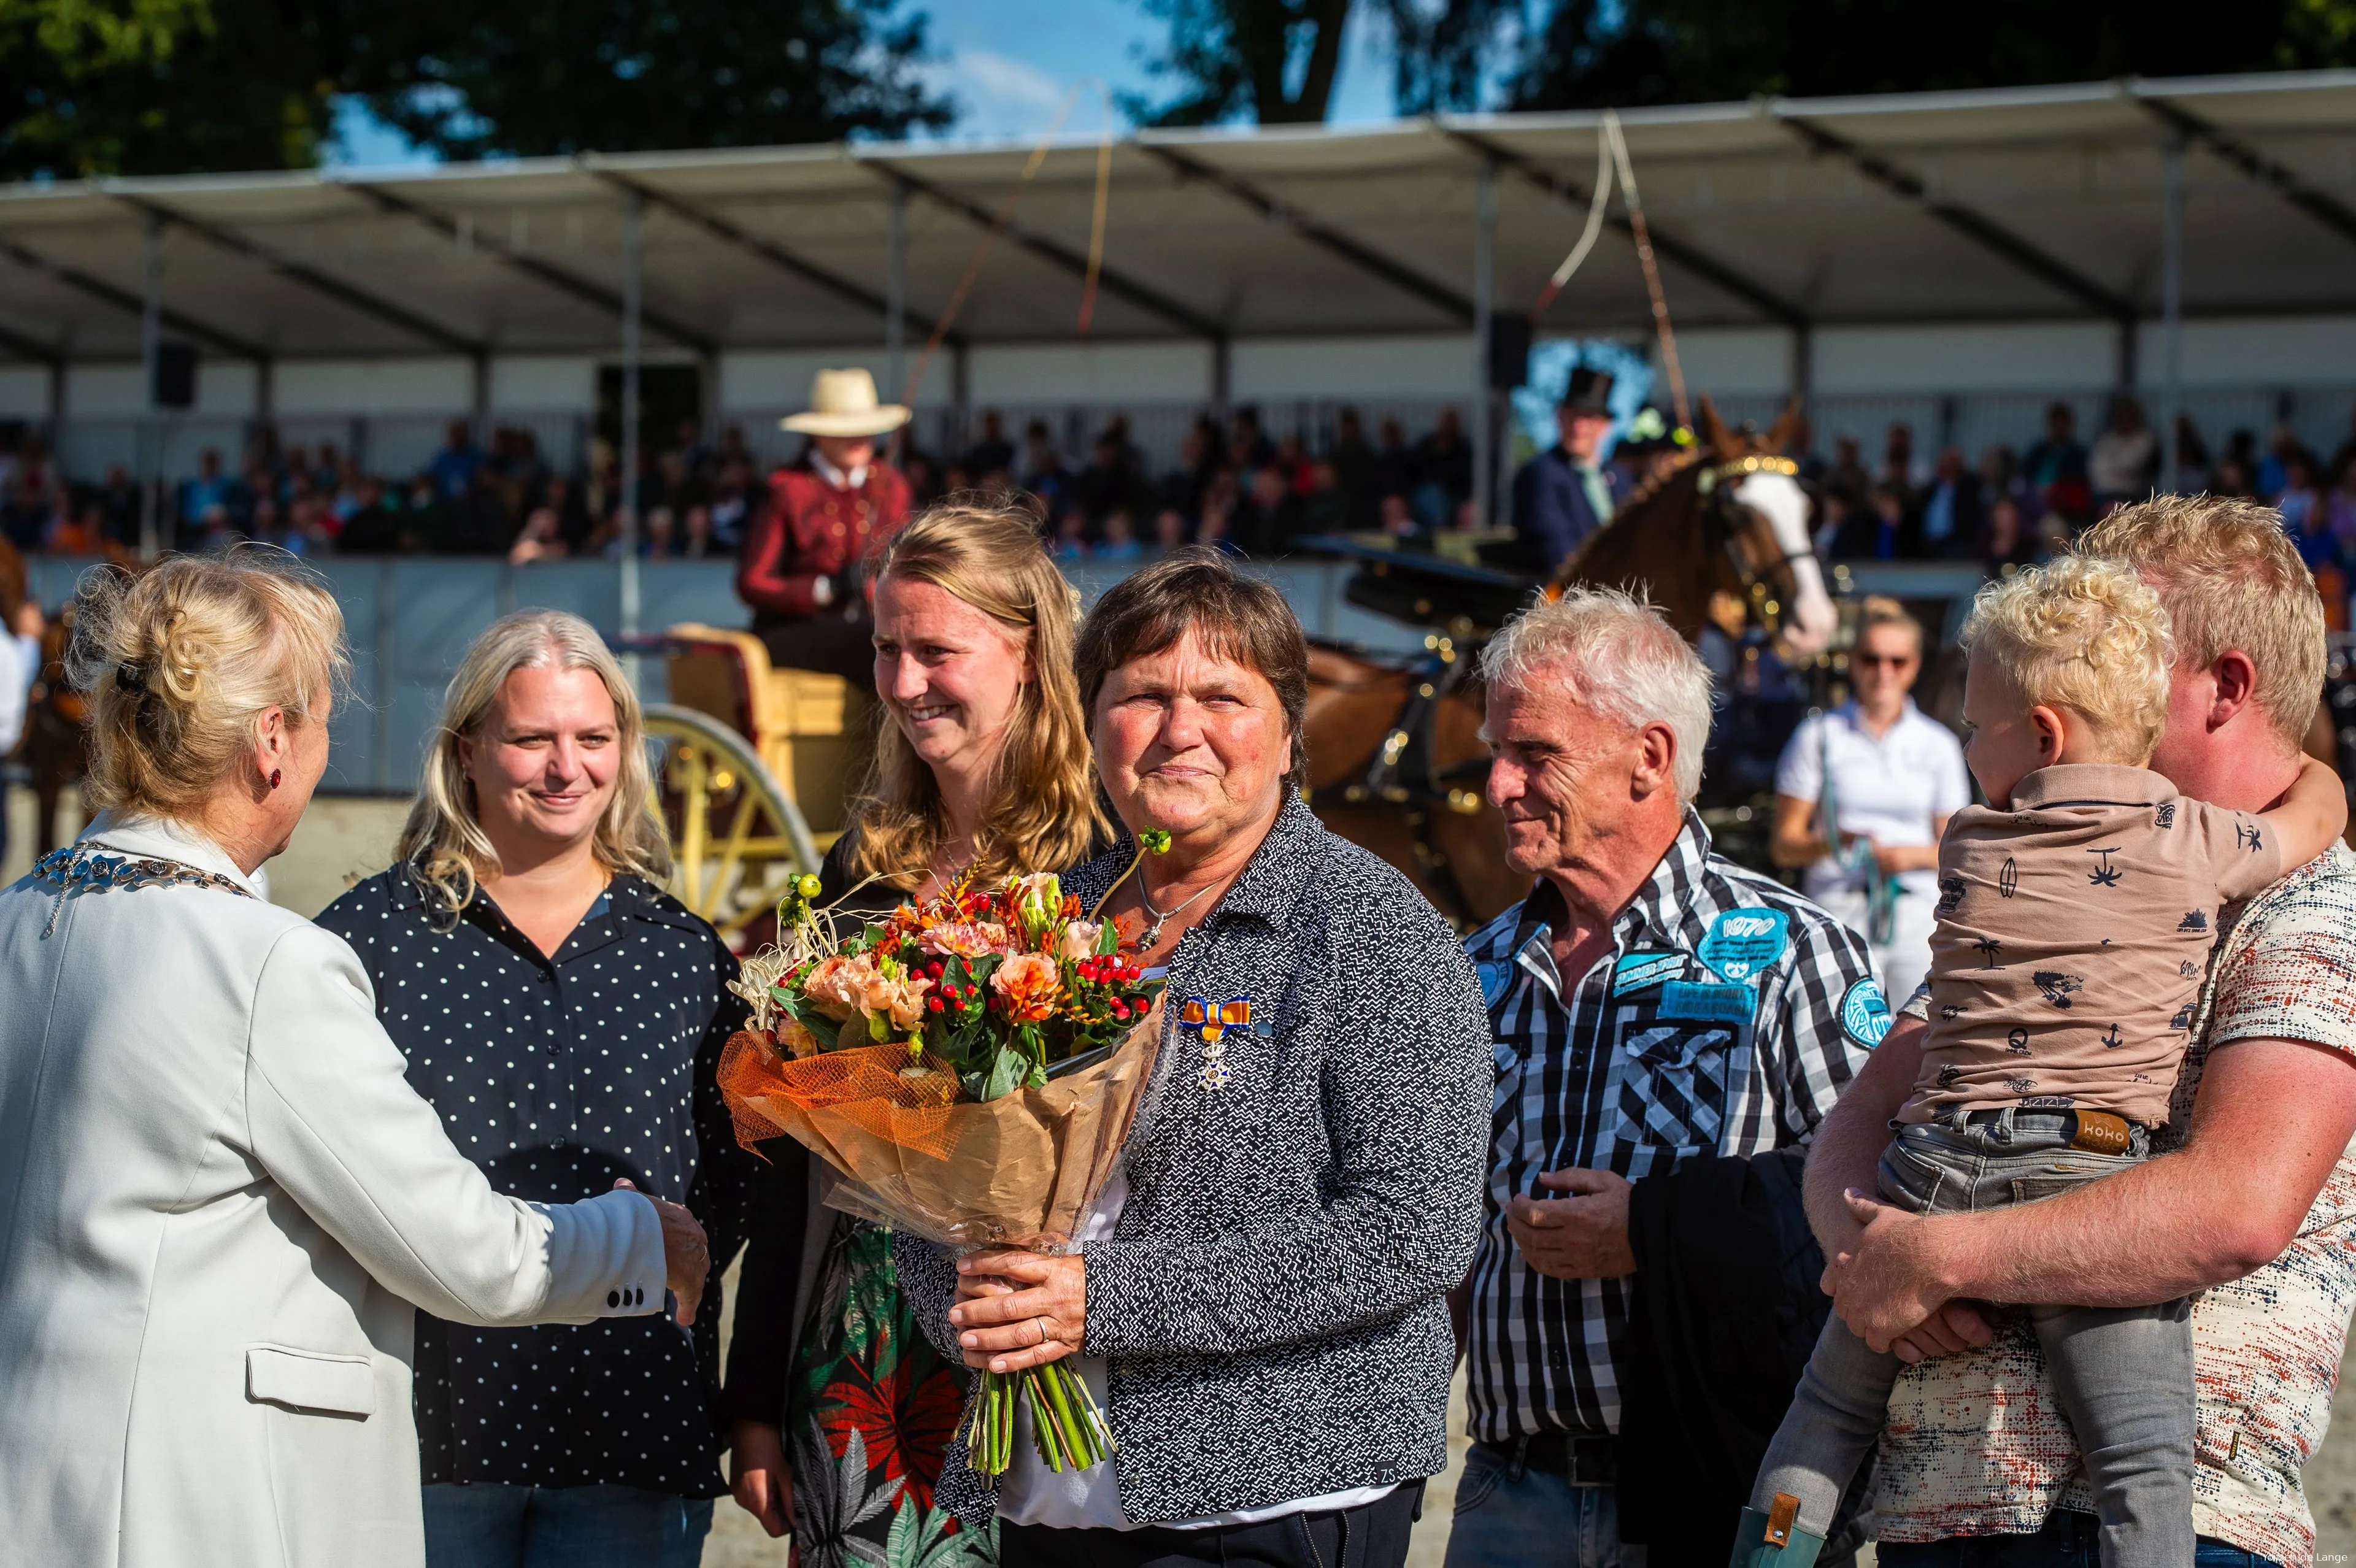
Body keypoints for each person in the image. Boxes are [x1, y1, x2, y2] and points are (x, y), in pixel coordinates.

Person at [0, 550, 708, 1568]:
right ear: (273, 743)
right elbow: (464, 1252)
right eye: (328, 719)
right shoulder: (268, 962)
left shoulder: (22, 914)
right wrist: (645, 1240)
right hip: (196, 1494)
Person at [1741, 557, 2346, 1568]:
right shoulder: (2189, 842)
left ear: (2042, 736)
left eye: (1974, 727)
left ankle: (1770, 1553)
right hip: (2082, 1159)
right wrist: (2320, 772)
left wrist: (1916, 1256)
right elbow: (2308, 823)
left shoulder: (1974, 840)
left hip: (1932, 1169)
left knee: (1820, 1422)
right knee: (2144, 1463)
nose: (1966, 744)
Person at [896, 548, 1492, 1568]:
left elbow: (1415, 1232)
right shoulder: (1030, 921)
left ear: (1290, 733)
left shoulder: (1374, 929)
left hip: (1274, 1493)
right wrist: (968, 1309)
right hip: (1048, 1489)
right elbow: (926, 1186)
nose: (1181, 730)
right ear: (1091, 723)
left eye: (1223, 695)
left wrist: (1102, 1300)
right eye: (1142, 696)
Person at [1450, 585, 1884, 1568]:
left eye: (1535, 755)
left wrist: (1656, 1230)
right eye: (1497, 752)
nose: (1498, 787)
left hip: (1717, 1486)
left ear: (1648, 758)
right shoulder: (1469, 972)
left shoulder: (1792, 952)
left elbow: (1873, 1202)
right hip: (1508, 1490)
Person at [313, 610, 755, 1568]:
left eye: (593, 739)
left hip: (630, 1437)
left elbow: (733, 1180)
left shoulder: (685, 958)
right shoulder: (369, 941)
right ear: (469, 750)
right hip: (425, 1432)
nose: (567, 768)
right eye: (532, 739)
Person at [722, 504, 1110, 1564]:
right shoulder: (868, 867)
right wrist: (754, 1388)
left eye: (938, 650)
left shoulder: (1109, 866)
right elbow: (794, 1153)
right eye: (888, 648)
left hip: (1035, 1336)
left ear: (1030, 653)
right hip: (858, 1338)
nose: (902, 683)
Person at [1771, 598, 1969, 1003]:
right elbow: (1784, 846)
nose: (1883, 672)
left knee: (1915, 1040)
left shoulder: (1938, 744)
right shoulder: (1818, 737)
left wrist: (1903, 856)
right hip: (1838, 906)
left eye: (1896, 661)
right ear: (1853, 661)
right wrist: (1838, 842)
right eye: (1871, 659)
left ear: (1914, 665)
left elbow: (1957, 850)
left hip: (1917, 912)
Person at [736, 368, 914, 685]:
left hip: (875, 622)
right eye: (846, 430)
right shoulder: (788, 489)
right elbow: (753, 582)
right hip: (795, 628)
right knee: (882, 647)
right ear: (819, 435)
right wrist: (824, 589)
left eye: (866, 429)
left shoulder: (892, 485)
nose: (859, 439)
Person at [1512, 368, 1623, 573]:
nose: (1578, 427)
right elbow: (1552, 545)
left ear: (1604, 426)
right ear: (1559, 417)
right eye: (1572, 416)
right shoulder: (1542, 474)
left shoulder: (1619, 477)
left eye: (1588, 419)